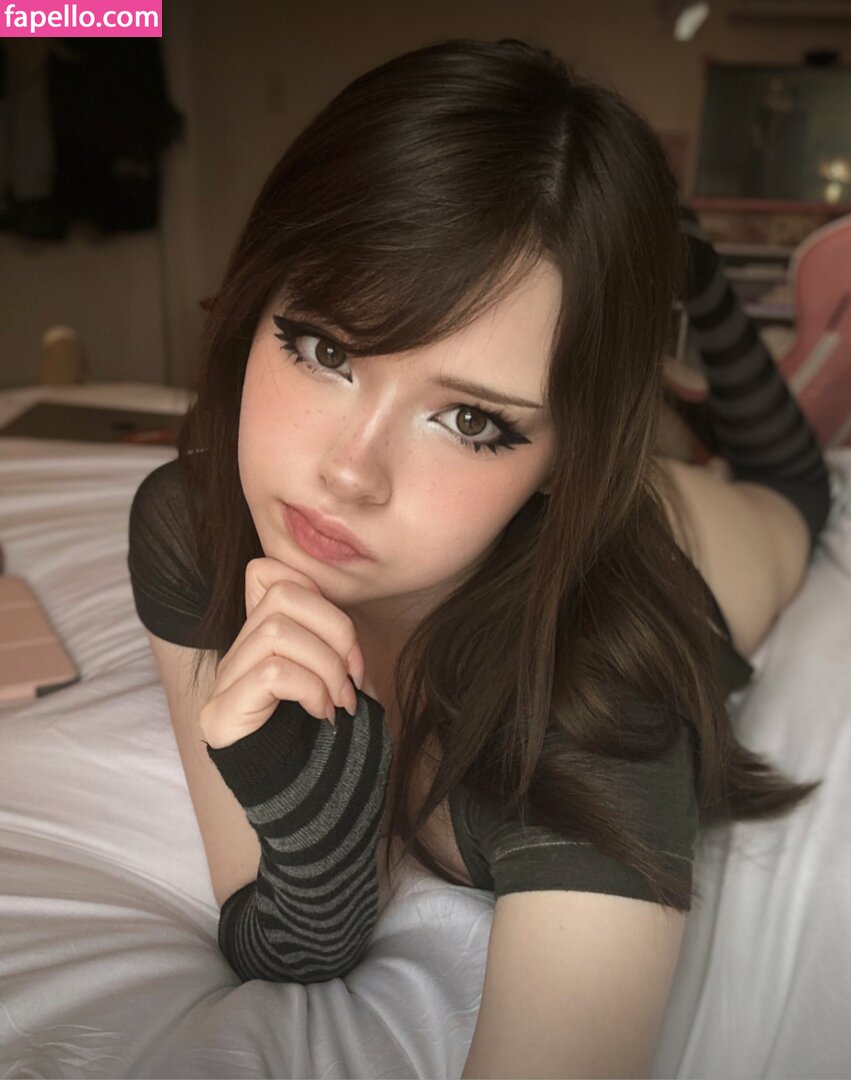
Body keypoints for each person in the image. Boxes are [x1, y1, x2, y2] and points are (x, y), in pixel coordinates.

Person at [127, 38, 832, 1077]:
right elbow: (280, 938)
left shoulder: (597, 725)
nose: (347, 474)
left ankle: (692, 277)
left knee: (794, 484)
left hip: (699, 548)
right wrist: (315, 844)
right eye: (327, 350)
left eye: (469, 420)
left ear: (564, 456)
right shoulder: (190, 524)